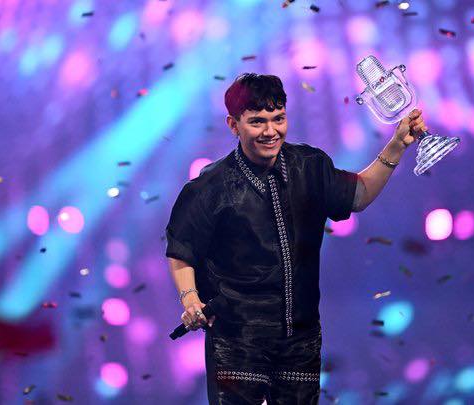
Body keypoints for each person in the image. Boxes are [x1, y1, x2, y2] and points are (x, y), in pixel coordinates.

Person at [165, 73, 426, 404]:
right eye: (257, 122)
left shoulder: (310, 166)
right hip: (237, 339)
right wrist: (190, 299)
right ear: (234, 125)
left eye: (278, 119)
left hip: (300, 339)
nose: (270, 131)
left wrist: (398, 144)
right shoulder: (210, 186)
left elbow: (357, 195)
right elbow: (182, 250)